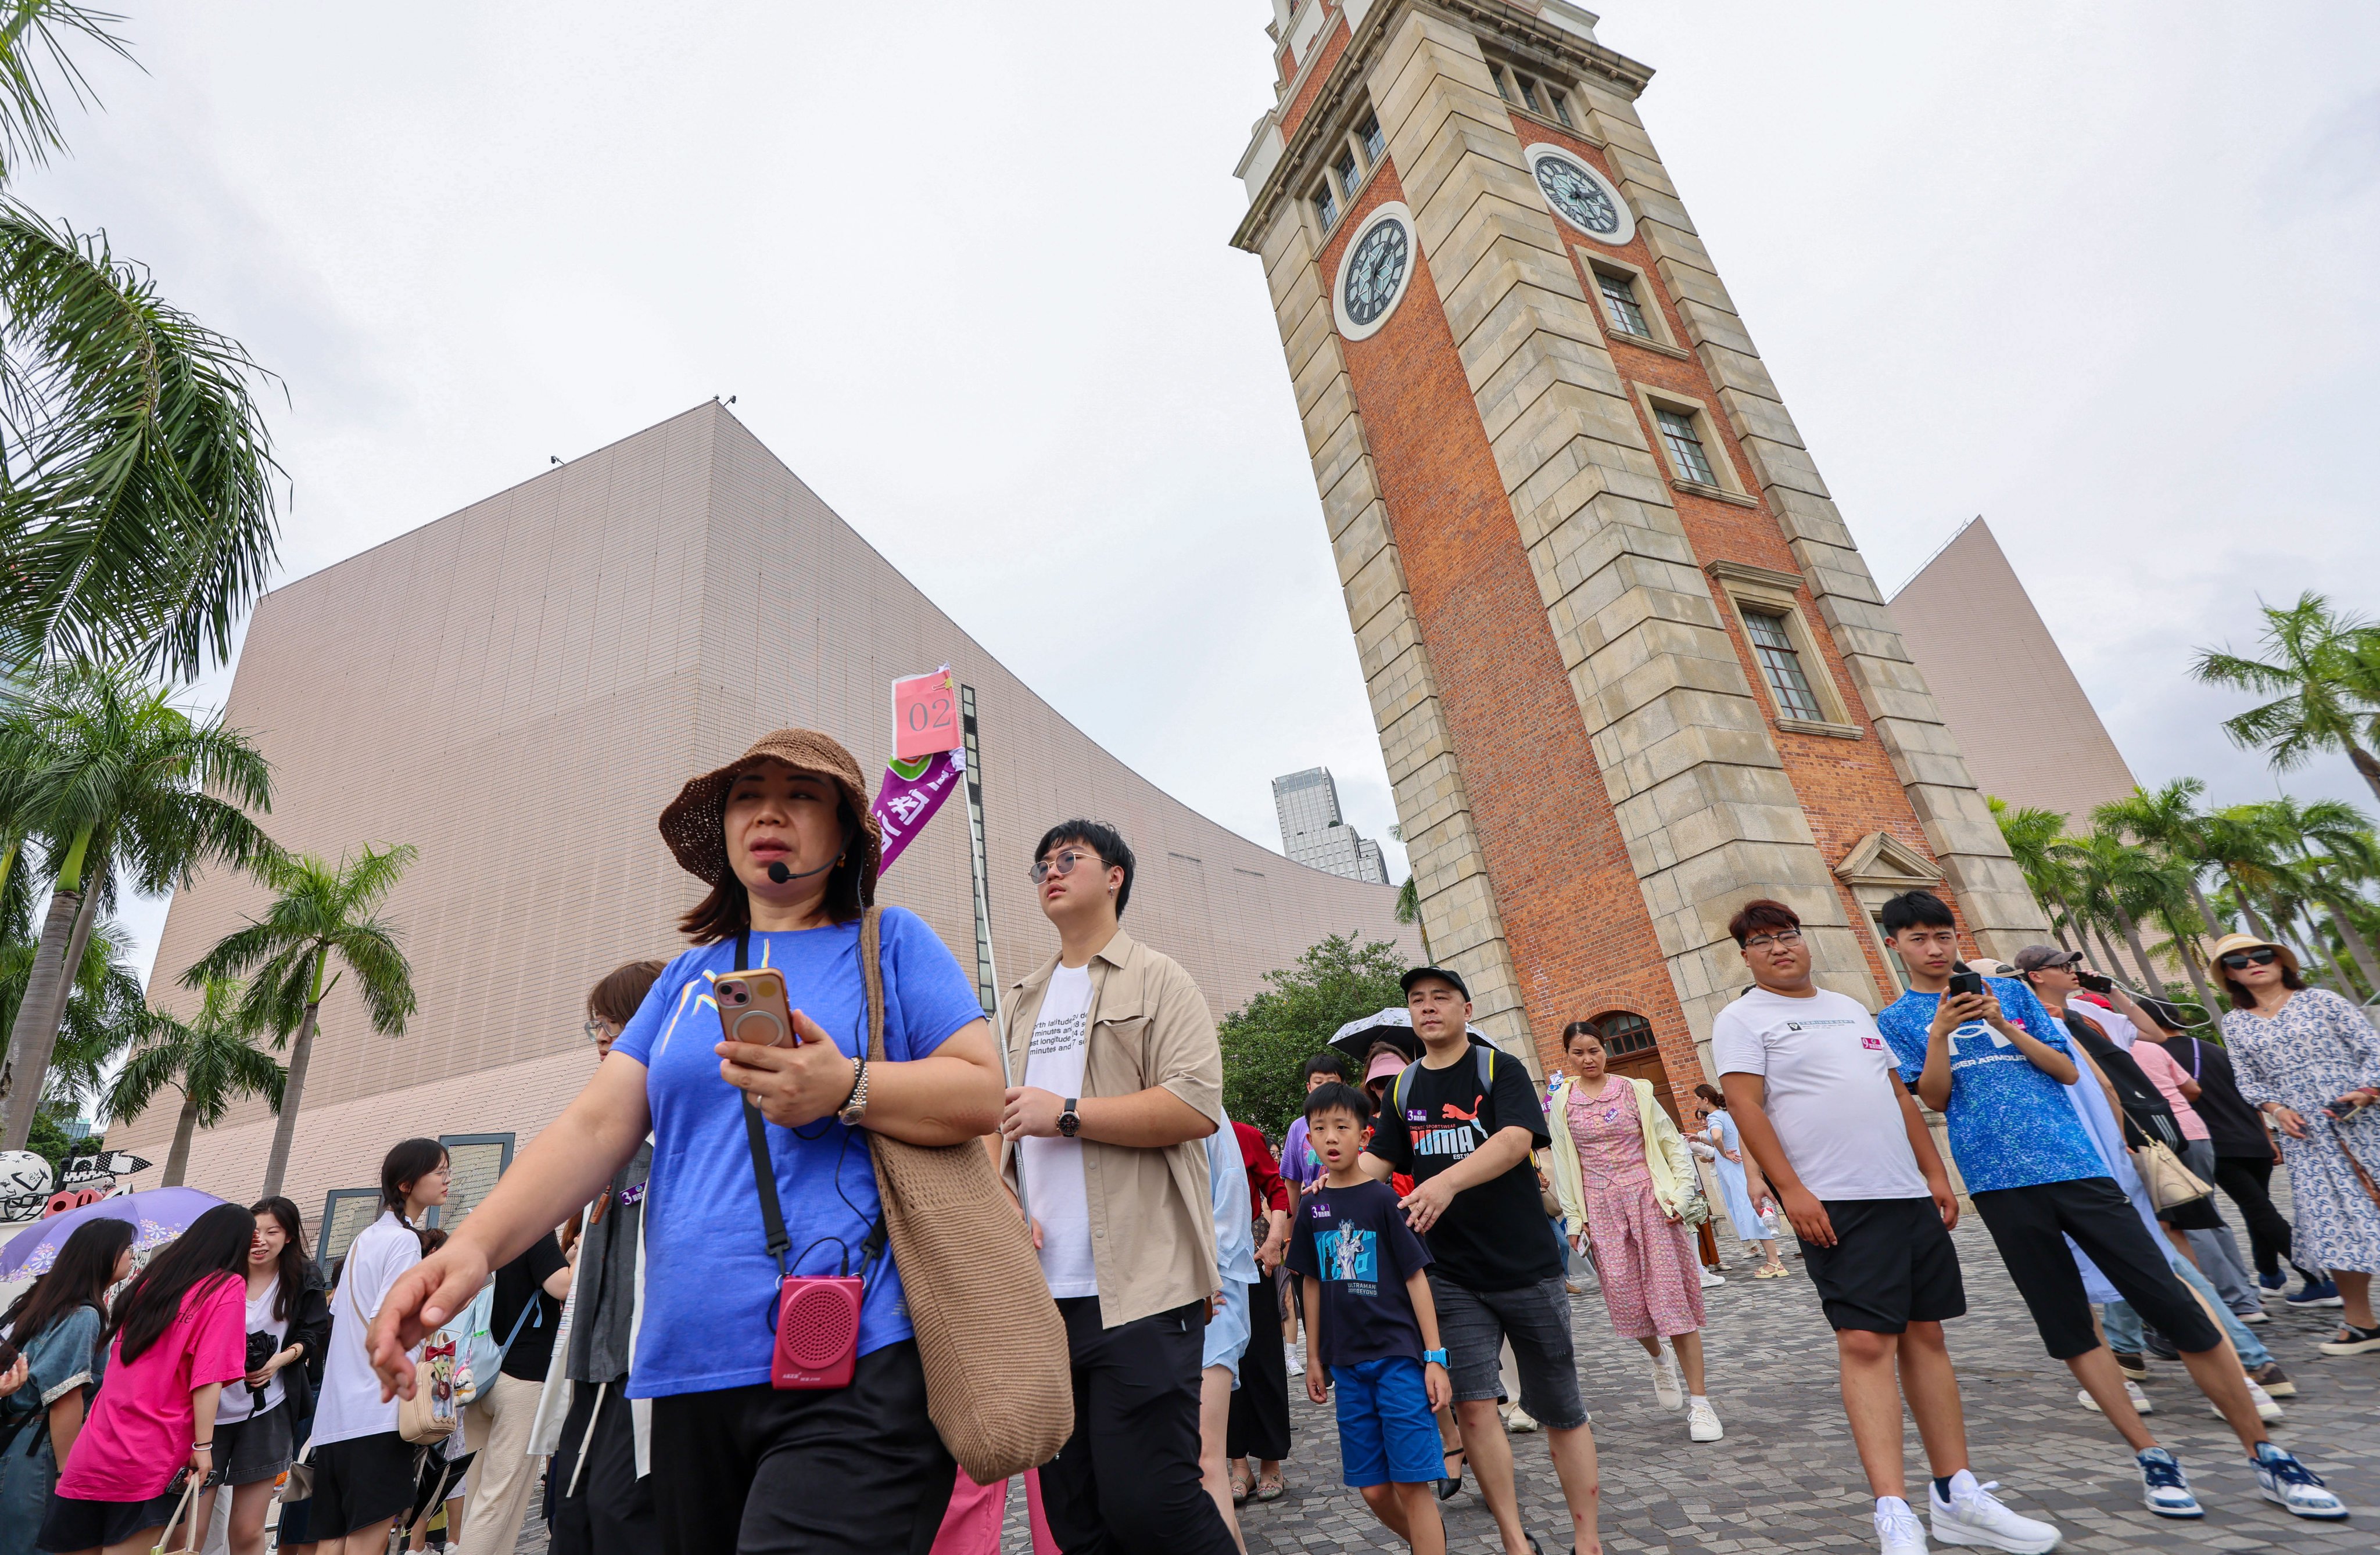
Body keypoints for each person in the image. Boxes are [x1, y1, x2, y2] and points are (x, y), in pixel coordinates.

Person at [371, 729, 1006, 1554]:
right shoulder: (683, 979)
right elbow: (595, 1126)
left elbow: (981, 1088)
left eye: (801, 794)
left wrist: (846, 1085)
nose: (769, 810)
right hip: (684, 1365)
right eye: (748, 794)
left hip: (857, 1347)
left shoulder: (889, 942)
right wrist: (474, 1248)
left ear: (845, 830)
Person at [1873, 889, 2341, 1520]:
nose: (1934, 949)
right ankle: (2151, 1455)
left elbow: (2066, 1072)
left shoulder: (2012, 995)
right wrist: (1939, 1033)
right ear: (1894, 945)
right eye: (1918, 939)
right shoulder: (1896, 1019)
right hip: (1998, 1187)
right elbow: (1933, 1096)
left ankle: (2265, 1454)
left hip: (2078, 1169)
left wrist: (2002, 1025)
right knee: (2068, 1324)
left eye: (1942, 936)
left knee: (2170, 1299)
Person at [1712, 897, 2062, 1555]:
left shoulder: (1849, 1007)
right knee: (1866, 1343)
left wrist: (1933, 1173)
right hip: (1836, 1200)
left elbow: (1898, 1094)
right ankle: (1892, 1510)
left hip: (1903, 1191)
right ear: (1746, 956)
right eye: (1762, 941)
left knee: (1926, 1334)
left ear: (1803, 940)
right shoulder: (1741, 1018)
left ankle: (1958, 1494)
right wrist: (1792, 1191)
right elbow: (1744, 1106)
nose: (1779, 947)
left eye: (1787, 934)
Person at [995, 818, 1237, 1555]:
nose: (1051, 873)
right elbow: (996, 1131)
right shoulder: (1018, 999)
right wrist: (1002, 1199)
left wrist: (1064, 1112)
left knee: (1153, 1505)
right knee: (1076, 1519)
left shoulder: (1159, 978)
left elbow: (1195, 1105)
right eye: (1040, 865)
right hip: (1044, 1297)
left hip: (1143, 1284)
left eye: (1069, 859)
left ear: (1115, 877)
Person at [1361, 967, 1600, 1555]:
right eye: (1416, 1001)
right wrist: (1328, 1189)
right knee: (1472, 1408)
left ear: (1466, 1008)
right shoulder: (1402, 1089)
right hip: (1448, 1274)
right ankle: (1516, 1541)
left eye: (1440, 998)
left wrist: (1444, 1183)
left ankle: (1587, 1540)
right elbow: (1375, 1164)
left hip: (1526, 1267)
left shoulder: (1499, 1069)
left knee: (1561, 1409)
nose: (1428, 1008)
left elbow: (1517, 1138)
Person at [2021, 956, 2261, 1319]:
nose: (2072, 971)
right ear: (2036, 976)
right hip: (2103, 1131)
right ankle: (2198, 1313)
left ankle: (2206, 1311)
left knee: (2177, 1222)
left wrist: (2114, 993)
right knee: (2158, 1227)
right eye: (2061, 966)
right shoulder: (2032, 1018)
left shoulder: (2089, 1011)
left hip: (2136, 1128)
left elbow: (2153, 1036)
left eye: (2073, 965)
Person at [1290, 1082, 1450, 1555]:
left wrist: (1434, 1357)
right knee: (1373, 1489)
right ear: (1309, 1140)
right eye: (1321, 1128)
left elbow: (1417, 1277)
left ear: (1364, 1133)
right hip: (1345, 1364)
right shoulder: (1312, 1206)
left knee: (1411, 1482)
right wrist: (1313, 1357)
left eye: (1343, 1126)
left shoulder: (1383, 1200)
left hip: (1398, 1358)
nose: (1332, 1136)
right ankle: (1432, 1543)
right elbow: (1311, 1282)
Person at [1546, 1021, 1724, 1443]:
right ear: (1568, 1057)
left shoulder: (1635, 1090)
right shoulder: (1562, 1103)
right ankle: (1659, 1358)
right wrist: (1574, 1218)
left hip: (1649, 1200)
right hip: (1601, 1208)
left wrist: (1681, 1196)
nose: (1588, 1059)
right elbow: (1565, 1164)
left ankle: (1701, 1404)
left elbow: (1669, 1143)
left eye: (1594, 1050)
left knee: (1672, 1300)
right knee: (1626, 1300)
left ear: (1604, 1050)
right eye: (1578, 1052)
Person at [41, 1202, 255, 1555]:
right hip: (152, 1449)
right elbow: (208, 1376)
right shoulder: (226, 1286)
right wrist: (203, 1447)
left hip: (96, 1445)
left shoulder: (150, 1285)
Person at [542, 956, 668, 1555]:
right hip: (591, 1366)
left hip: (645, 1368)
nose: (603, 1036)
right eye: (597, 1022)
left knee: (621, 1514)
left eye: (618, 1020)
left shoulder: (675, 1136)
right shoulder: (606, 1141)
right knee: (570, 1516)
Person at [2211, 931, 2380, 1356]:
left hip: (2362, 1121)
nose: (2253, 962)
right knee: (2332, 1225)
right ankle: (2361, 1323)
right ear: (2231, 977)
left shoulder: (2323, 1001)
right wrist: (2275, 1108)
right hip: (2305, 1134)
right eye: (2238, 961)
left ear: (2282, 960)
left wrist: (2365, 1091)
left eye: (2262, 954)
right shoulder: (2235, 1022)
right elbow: (2248, 1079)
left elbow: (2372, 1048)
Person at [316, 1139, 450, 1554]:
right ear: (407, 1183)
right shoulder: (405, 1243)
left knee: (332, 1538)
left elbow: (343, 1317)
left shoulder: (365, 1238)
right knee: (367, 1540)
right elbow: (384, 1321)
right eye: (440, 1170)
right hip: (377, 1414)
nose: (448, 1179)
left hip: (337, 1417)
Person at [2150, 997, 2328, 1305]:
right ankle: (2270, 1275)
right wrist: (2267, 1138)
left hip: (2217, 1144)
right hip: (2253, 1140)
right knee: (2258, 1207)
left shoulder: (2152, 1055)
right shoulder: (2215, 1051)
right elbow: (2250, 1094)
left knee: (2260, 1210)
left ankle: (2320, 1280)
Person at [0, 1217, 135, 1555]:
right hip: (39, 1447)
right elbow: (64, 1397)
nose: (132, 1256)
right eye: (126, 1249)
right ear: (102, 1256)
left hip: (15, 1437)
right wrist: (67, 1472)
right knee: (34, 1544)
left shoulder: (38, 1302)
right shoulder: (82, 1314)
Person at [207, 1197, 331, 1555]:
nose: (259, 1239)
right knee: (191, 1527)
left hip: (269, 1410)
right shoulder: (222, 1275)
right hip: (210, 1411)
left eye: (271, 1231)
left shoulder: (303, 1277)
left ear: (289, 1236)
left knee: (246, 1530)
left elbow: (312, 1335)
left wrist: (277, 1362)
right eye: (253, 1230)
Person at [456, 1227, 569, 1555]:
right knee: (501, 1498)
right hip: (521, 1380)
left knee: (479, 1494)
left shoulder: (497, 1237)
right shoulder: (537, 1233)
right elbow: (560, 1285)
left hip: (482, 1376)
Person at [1198, 1115, 1259, 1553]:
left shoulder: (1206, 1113)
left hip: (1212, 1294)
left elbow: (1233, 1203)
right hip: (1154, 1300)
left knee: (1205, 1459)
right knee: (1194, 1462)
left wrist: (1203, 1270)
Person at [1225, 1116, 1292, 1506]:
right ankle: (1238, 1466)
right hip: (1204, 1264)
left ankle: (1270, 1464)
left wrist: (1274, 1238)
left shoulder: (1245, 1135)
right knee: (1222, 1366)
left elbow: (1277, 1189)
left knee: (1263, 1359)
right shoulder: (1177, 1136)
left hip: (1251, 1257)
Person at [1693, 1083, 1786, 1277]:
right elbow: (1718, 1137)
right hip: (1738, 1168)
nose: (1695, 1102)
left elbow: (1718, 1138)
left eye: (1696, 1099)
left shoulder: (1715, 1116)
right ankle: (1773, 1259)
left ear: (1705, 1100)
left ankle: (1775, 1262)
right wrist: (1699, 1139)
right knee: (1752, 1208)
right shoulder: (1725, 1115)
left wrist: (1724, 1154)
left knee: (1751, 1210)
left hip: (1734, 1169)